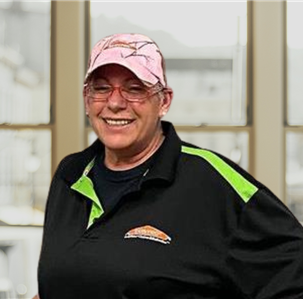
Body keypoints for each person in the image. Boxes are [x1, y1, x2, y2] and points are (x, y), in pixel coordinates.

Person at [36, 33, 303, 299]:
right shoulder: (69, 175)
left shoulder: (211, 182)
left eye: (134, 89)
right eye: (102, 88)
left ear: (164, 101)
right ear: (86, 98)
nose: (115, 103)